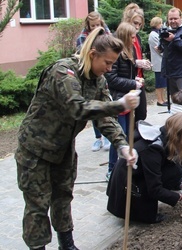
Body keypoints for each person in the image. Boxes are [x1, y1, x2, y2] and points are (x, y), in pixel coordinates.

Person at [15, 27, 140, 250]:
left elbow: (104, 118)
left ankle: (67, 245)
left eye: (113, 64)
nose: (109, 69)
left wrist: (122, 145)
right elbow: (77, 108)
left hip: (63, 149)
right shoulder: (63, 72)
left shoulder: (98, 80)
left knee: (63, 197)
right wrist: (119, 104)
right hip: (35, 150)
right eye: (107, 63)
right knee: (37, 205)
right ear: (93, 54)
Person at [107, 113, 182, 224]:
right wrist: (181, 197)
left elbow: (168, 167)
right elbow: (155, 189)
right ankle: (139, 212)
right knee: (149, 212)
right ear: (178, 137)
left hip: (135, 174)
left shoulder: (163, 135)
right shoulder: (152, 150)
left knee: (175, 172)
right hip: (127, 184)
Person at [105, 22, 147, 182]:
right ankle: (112, 169)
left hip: (129, 98)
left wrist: (134, 79)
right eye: (132, 36)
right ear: (123, 36)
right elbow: (112, 78)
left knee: (128, 135)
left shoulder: (129, 51)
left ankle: (123, 167)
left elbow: (127, 74)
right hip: (118, 100)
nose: (134, 39)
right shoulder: (115, 54)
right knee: (119, 135)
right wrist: (132, 83)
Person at [75, 11, 111, 151]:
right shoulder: (82, 38)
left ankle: (108, 136)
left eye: (98, 24)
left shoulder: (107, 36)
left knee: (105, 104)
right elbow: (82, 58)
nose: (96, 27)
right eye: (93, 25)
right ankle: (98, 138)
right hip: (90, 77)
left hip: (104, 76)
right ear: (88, 26)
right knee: (94, 107)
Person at [148, 16, 168, 106]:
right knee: (159, 83)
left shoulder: (158, 33)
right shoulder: (153, 35)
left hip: (162, 62)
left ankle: (163, 99)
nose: (161, 25)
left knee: (163, 83)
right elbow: (159, 49)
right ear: (156, 24)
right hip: (158, 62)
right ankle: (159, 100)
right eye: (160, 23)